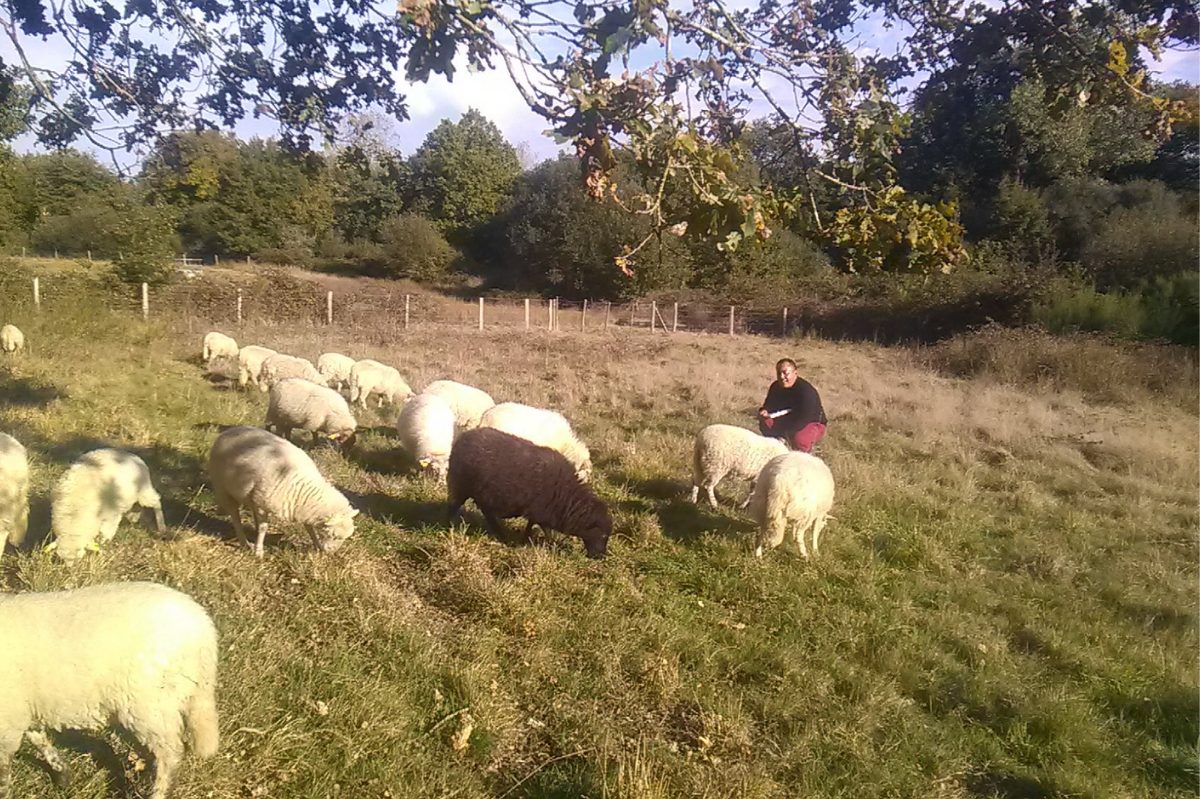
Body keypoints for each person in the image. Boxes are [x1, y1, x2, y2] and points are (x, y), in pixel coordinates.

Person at [758, 358, 827, 453]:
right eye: (779, 373)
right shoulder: (775, 387)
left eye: (786, 373)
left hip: (810, 422)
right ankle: (774, 450)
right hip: (788, 419)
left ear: (795, 373)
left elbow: (805, 418)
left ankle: (805, 454)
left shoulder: (806, 391)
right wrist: (764, 411)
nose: (782, 377)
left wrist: (785, 435)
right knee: (766, 422)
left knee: (799, 438)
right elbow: (768, 406)